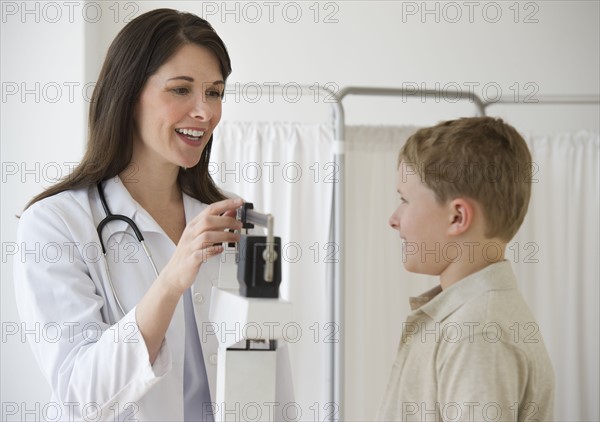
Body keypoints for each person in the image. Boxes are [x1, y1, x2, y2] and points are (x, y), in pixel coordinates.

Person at [14, 8, 292, 421]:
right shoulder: (56, 224)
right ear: (128, 94)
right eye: (181, 90)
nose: (204, 112)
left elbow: (270, 373)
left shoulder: (236, 219)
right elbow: (79, 396)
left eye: (214, 92)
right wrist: (171, 281)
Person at [378, 117, 555, 421]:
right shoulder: (470, 320)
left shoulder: (477, 333)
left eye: (405, 200)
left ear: (458, 217)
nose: (394, 219)